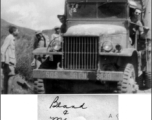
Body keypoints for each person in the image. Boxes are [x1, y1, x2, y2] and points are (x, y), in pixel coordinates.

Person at [1, 26, 19, 94]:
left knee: (7, 77)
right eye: (17, 30)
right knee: (11, 77)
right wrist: (3, 61)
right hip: (9, 62)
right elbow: (2, 49)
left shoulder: (11, 38)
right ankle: (8, 95)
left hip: (9, 61)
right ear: (14, 31)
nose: (18, 32)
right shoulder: (10, 38)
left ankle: (5, 95)